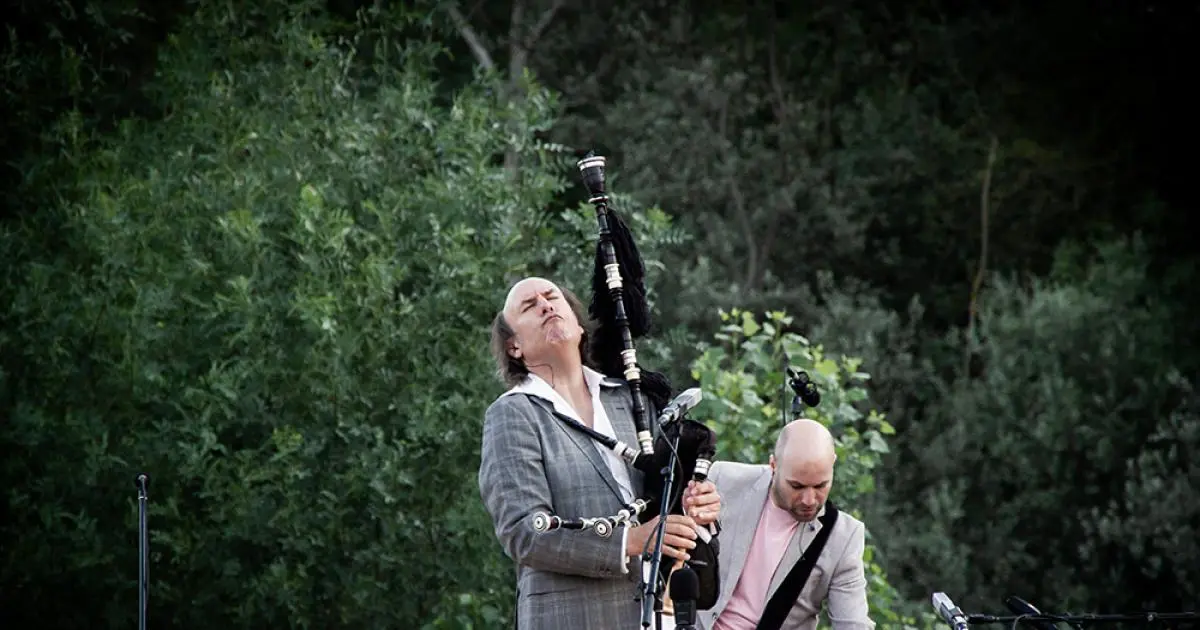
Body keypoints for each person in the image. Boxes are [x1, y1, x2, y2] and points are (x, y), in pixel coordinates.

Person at [478, 276, 723, 629]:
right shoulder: (514, 413)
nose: (546, 305)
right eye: (530, 307)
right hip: (571, 618)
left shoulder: (632, 400)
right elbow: (524, 532)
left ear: (578, 325)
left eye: (552, 297)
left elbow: (663, 499)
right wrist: (630, 541)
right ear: (514, 346)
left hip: (659, 616)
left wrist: (701, 505)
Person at [700, 419, 874, 630]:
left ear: (833, 464)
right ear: (773, 465)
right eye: (797, 486)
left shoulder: (843, 537)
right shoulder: (723, 479)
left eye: (821, 485)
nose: (809, 500)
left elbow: (853, 624)